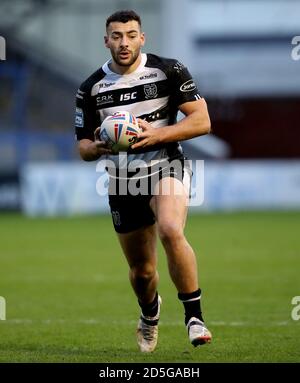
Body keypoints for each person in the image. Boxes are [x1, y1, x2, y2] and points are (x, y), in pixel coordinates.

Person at [75, 9, 212, 352]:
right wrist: (99, 147)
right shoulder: (91, 88)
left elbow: (201, 121)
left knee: (169, 228)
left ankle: (194, 318)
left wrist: (159, 135)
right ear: (106, 40)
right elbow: (82, 147)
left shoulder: (169, 70)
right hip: (122, 179)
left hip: (166, 165)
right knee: (143, 272)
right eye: (117, 36)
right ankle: (150, 314)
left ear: (142, 38)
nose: (124, 43)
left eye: (131, 35)